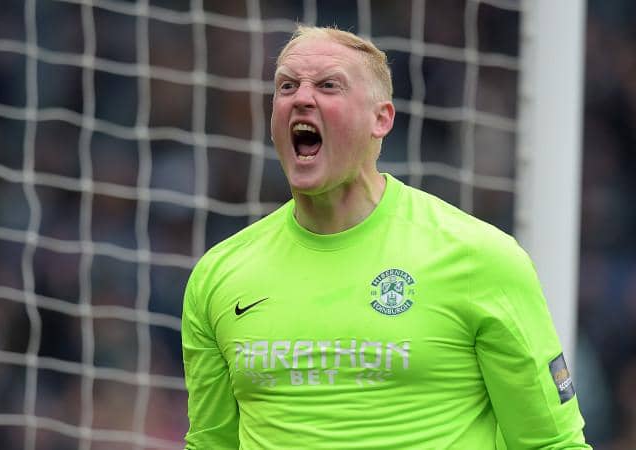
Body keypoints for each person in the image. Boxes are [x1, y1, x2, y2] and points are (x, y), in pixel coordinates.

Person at [181, 25, 590, 449]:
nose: (301, 98)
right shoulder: (219, 275)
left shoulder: (480, 257)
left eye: (327, 85)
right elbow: (211, 443)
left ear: (382, 119)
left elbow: (552, 443)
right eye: (287, 85)